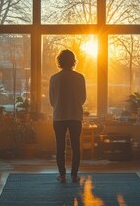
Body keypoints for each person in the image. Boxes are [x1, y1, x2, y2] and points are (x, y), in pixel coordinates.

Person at [49, 49, 86, 183]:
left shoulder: (54, 78)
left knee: (60, 147)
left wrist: (60, 105)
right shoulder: (80, 77)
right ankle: (74, 175)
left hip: (59, 116)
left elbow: (52, 101)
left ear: (59, 61)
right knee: (76, 146)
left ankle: (62, 175)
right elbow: (83, 98)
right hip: (75, 116)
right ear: (73, 61)